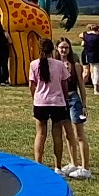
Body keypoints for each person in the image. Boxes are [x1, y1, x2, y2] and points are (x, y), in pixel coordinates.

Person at [27, 35, 70, 170]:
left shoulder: (34, 64)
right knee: (57, 134)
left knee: (40, 134)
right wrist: (66, 98)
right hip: (57, 102)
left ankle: (38, 164)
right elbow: (65, 84)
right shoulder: (59, 64)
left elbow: (31, 84)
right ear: (53, 50)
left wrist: (34, 97)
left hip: (40, 102)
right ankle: (58, 166)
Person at [54, 35, 92, 178]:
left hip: (73, 99)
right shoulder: (55, 64)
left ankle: (85, 167)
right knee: (67, 134)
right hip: (60, 100)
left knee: (78, 134)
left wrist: (84, 104)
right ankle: (73, 163)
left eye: (66, 47)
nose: (64, 50)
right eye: (61, 47)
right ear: (57, 49)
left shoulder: (75, 65)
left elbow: (81, 86)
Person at [81, 21, 99, 95]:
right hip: (98, 56)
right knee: (98, 73)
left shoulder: (86, 35)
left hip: (88, 55)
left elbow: (82, 44)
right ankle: (96, 89)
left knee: (92, 72)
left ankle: (98, 87)